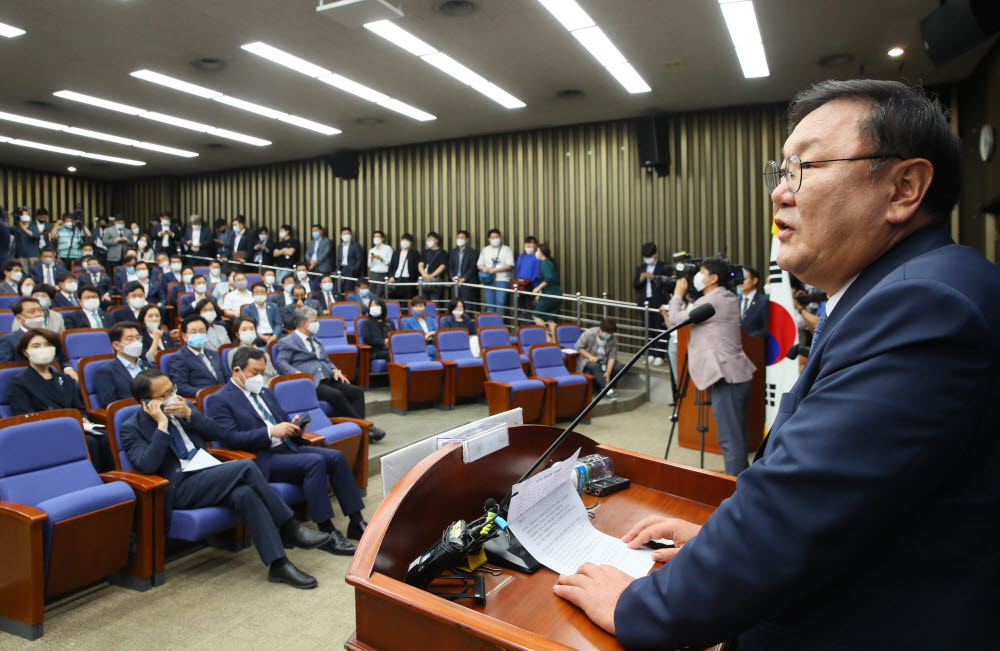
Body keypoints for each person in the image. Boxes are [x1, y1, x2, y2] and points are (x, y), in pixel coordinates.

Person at [556, 79, 1000, 651]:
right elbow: (849, 505)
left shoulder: (924, 307)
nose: (780, 194)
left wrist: (643, 606)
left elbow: (797, 516)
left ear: (904, 188)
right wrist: (716, 539)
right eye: (780, 172)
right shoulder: (913, 288)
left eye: (805, 168)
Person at [120, 368, 330, 588]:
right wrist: (162, 426)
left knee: (245, 494)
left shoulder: (184, 408)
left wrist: (190, 415)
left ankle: (278, 564)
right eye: (164, 395)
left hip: (208, 472)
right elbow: (147, 464)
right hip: (179, 486)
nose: (172, 396)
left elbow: (216, 433)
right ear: (146, 403)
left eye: (172, 389)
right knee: (247, 467)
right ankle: (289, 527)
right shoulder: (131, 428)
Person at [207, 347, 364, 554]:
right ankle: (327, 531)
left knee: (335, 457)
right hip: (260, 457)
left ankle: (356, 521)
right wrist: (271, 431)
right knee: (315, 463)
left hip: (286, 447)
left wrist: (295, 427)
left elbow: (282, 421)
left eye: (262, 372)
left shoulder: (265, 392)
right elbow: (230, 438)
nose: (259, 377)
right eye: (254, 372)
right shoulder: (220, 399)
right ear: (237, 370)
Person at [662, 257, 755, 476]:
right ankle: (742, 483)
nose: (698, 276)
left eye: (702, 272)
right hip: (734, 375)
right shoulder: (725, 297)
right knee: (736, 438)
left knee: (730, 441)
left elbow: (676, 317)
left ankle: (736, 492)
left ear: (713, 278)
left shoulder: (716, 300)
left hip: (726, 376)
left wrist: (677, 293)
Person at [275, 306, 386, 442]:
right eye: (314, 321)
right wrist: (297, 374)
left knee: (356, 391)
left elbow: (326, 361)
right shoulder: (288, 341)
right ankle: (366, 430)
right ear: (304, 323)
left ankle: (361, 428)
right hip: (311, 383)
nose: (317, 324)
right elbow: (281, 363)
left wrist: (335, 370)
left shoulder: (317, 341)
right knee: (336, 395)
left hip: (328, 377)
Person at [8, 328, 108, 470]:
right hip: (45, 432)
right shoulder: (18, 382)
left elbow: (78, 408)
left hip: (74, 427)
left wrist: (83, 417)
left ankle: (108, 478)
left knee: (104, 437)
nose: (43, 349)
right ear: (26, 352)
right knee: (88, 441)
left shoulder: (65, 378)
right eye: (36, 346)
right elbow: (24, 416)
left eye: (48, 345)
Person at [0, 299, 77, 379]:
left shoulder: (53, 335)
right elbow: (5, 369)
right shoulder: (8, 340)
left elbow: (62, 360)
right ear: (19, 318)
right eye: (32, 311)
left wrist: (68, 369)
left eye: (40, 311)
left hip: (56, 378)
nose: (38, 314)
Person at [94, 321, 154, 408]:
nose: (136, 342)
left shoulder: (150, 367)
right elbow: (110, 404)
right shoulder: (106, 372)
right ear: (116, 345)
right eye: (130, 339)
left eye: (138, 338)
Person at [168, 315, 231, 397]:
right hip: (204, 398)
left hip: (224, 394)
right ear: (184, 336)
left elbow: (227, 377)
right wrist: (202, 393)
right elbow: (180, 386)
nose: (198, 335)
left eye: (202, 331)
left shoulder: (214, 354)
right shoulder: (179, 357)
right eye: (193, 332)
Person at [633, 242, 670, 366]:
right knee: (648, 328)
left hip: (659, 302)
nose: (647, 259)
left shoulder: (664, 267)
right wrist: (641, 279)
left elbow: (667, 284)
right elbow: (635, 286)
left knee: (660, 328)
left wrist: (654, 278)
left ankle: (660, 355)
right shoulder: (640, 268)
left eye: (650, 256)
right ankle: (650, 354)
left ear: (655, 254)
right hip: (645, 302)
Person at [575, 318, 619, 399]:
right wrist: (590, 357)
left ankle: (605, 384)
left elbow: (612, 356)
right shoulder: (589, 333)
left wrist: (608, 371)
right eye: (607, 333)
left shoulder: (613, 338)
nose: (608, 335)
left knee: (619, 366)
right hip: (587, 359)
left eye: (611, 333)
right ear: (601, 330)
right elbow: (578, 347)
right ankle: (608, 390)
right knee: (595, 366)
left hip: (604, 360)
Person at [477, 228, 514, 315]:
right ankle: (491, 326)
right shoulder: (485, 250)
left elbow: (510, 265)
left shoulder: (507, 249)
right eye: (493, 237)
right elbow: (479, 265)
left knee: (500, 303)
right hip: (488, 280)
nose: (495, 239)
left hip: (502, 280)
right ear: (489, 239)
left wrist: (494, 270)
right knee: (490, 305)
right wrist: (484, 268)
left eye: (497, 237)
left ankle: (500, 326)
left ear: (500, 237)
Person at [229, 316, 278, 383]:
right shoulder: (233, 353)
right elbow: (240, 379)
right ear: (237, 334)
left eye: (251, 329)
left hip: (269, 384)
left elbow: (272, 373)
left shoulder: (262, 351)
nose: (248, 332)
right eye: (244, 330)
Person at [530, 243, 562, 341]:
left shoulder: (545, 263)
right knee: (550, 319)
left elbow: (548, 278)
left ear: (541, 252)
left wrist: (537, 288)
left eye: (537, 251)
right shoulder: (548, 262)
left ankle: (547, 339)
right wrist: (540, 292)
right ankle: (555, 341)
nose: (536, 253)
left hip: (550, 295)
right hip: (555, 294)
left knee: (536, 315)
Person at [512, 236, 540, 323]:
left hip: (532, 287)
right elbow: (516, 270)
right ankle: (520, 328)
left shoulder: (538, 257)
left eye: (531, 243)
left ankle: (530, 329)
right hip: (520, 287)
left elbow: (538, 273)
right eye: (527, 243)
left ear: (535, 245)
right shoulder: (521, 256)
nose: (529, 245)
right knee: (517, 308)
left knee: (530, 309)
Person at [357, 299, 394, 363]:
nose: (374, 307)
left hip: (389, 348)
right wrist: (383, 341)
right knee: (391, 354)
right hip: (374, 351)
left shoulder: (389, 322)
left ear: (382, 307)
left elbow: (395, 335)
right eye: (372, 305)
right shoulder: (366, 323)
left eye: (376, 305)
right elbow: (367, 339)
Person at [738, 265, 769, 338]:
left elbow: (768, 328)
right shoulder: (735, 301)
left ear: (754, 280)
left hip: (757, 345)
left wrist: (749, 338)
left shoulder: (764, 301)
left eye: (744, 279)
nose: (740, 282)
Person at [386, 233, 418, 300]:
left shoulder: (414, 253)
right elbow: (391, 267)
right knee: (396, 299)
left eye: (407, 241)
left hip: (409, 280)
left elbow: (416, 268)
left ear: (411, 243)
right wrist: (391, 276)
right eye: (403, 240)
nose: (405, 242)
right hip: (396, 279)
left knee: (408, 299)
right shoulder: (396, 253)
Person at [418, 231, 448, 303]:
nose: (428, 241)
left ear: (436, 240)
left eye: (430, 239)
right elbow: (420, 264)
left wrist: (432, 275)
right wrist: (424, 274)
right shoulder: (425, 252)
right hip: (424, 280)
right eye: (427, 239)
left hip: (435, 281)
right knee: (422, 301)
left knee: (434, 302)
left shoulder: (442, 252)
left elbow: (443, 266)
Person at [448, 229, 477, 304]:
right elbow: (450, 266)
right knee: (455, 303)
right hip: (455, 281)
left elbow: (472, 267)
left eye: (462, 237)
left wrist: (464, 278)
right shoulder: (453, 252)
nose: (459, 239)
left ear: (466, 239)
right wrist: (452, 277)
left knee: (466, 303)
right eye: (458, 237)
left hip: (466, 282)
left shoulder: (472, 252)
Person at [336, 226, 363, 292]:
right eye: (344, 234)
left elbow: (359, 259)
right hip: (341, 269)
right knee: (337, 287)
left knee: (349, 288)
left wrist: (354, 270)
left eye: (348, 234)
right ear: (341, 235)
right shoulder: (340, 246)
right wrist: (337, 269)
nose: (346, 235)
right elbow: (339, 259)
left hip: (350, 269)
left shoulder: (355, 245)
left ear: (350, 235)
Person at [367, 230, 393, 298]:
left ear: (382, 238)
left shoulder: (387, 248)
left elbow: (389, 262)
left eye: (378, 236)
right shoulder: (372, 250)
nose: (376, 238)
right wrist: (372, 260)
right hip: (373, 273)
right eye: (374, 236)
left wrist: (381, 258)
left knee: (379, 294)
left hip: (382, 274)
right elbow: (369, 265)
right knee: (371, 293)